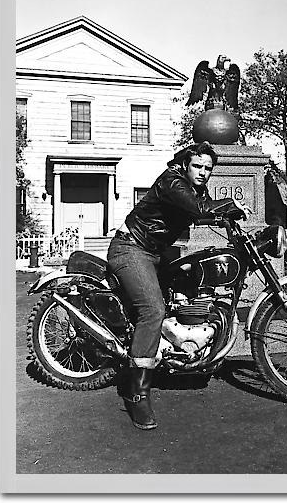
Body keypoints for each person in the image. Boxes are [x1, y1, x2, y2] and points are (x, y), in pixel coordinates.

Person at [107, 141, 250, 430]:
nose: (203, 172)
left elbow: (206, 211)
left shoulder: (196, 188)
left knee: (186, 288)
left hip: (155, 252)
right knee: (153, 310)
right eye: (197, 166)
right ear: (185, 164)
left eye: (208, 168)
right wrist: (229, 205)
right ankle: (137, 393)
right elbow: (198, 209)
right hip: (131, 248)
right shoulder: (171, 181)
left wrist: (230, 219)